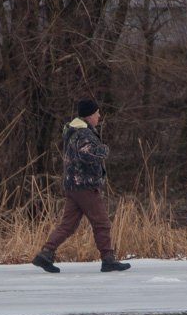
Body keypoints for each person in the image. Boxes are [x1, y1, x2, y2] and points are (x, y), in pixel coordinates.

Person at [31, 98, 131, 273]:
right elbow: (86, 153)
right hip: (84, 185)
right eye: (97, 112)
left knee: (68, 225)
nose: (99, 115)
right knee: (101, 223)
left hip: (73, 185)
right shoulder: (83, 133)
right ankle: (108, 259)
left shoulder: (75, 130)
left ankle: (45, 253)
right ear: (90, 115)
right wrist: (103, 150)